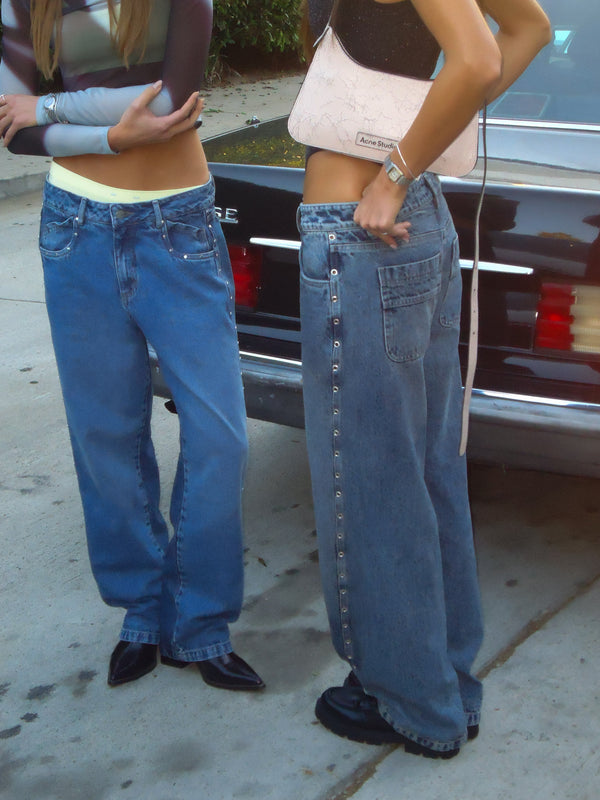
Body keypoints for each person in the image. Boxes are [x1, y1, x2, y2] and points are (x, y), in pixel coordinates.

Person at [297, 0, 550, 756]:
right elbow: (529, 29)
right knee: (427, 469)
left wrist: (395, 172)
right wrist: (418, 148)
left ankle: (412, 703)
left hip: (366, 225)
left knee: (371, 480)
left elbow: (476, 57)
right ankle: (444, 684)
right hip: (412, 226)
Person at [0, 0, 264, 691]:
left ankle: (202, 623)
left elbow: (169, 102)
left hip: (177, 226)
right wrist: (114, 137)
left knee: (221, 436)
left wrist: (52, 110)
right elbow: (11, 125)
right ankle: (144, 613)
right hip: (74, 229)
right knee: (106, 438)